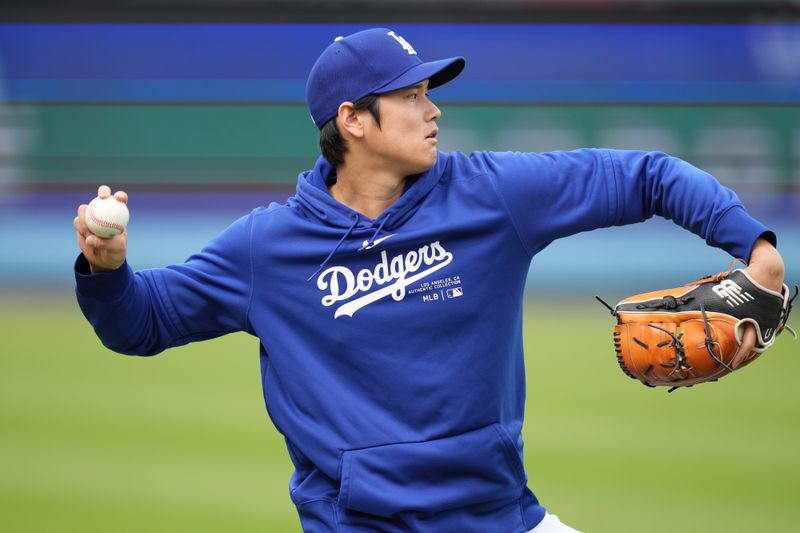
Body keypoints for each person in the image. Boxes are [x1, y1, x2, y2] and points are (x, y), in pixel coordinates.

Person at [73, 28, 785, 533]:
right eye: (410, 95)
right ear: (351, 119)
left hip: (502, 516)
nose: (433, 109)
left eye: (428, 92)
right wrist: (106, 270)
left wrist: (755, 249)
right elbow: (143, 321)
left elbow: (645, 175)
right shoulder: (270, 247)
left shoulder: (492, 195)